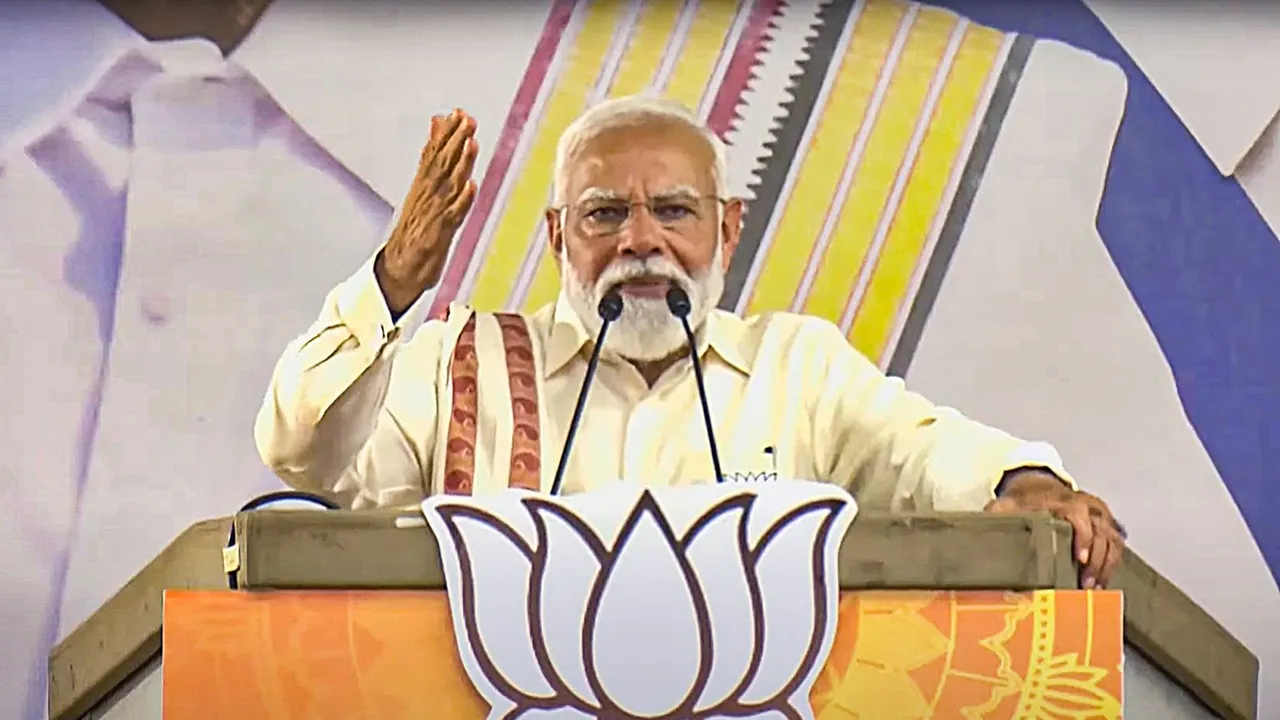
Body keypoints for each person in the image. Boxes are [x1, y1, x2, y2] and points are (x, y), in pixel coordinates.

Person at [255, 95, 1125, 588]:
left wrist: (1026, 481)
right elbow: (299, 448)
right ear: (557, 238)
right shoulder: (462, 364)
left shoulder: (795, 367)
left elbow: (924, 452)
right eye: (605, 214)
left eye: (673, 210)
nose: (640, 240)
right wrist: (393, 285)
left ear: (728, 228)